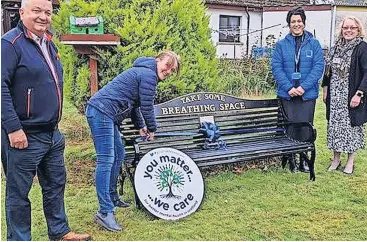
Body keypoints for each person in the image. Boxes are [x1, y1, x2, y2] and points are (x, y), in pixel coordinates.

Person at [1, 0, 91, 240]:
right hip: (24, 135)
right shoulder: (10, 44)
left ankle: (60, 231)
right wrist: (13, 129)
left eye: (48, 12)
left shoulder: (49, 43)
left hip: (52, 133)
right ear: (22, 13)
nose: (43, 17)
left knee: (55, 185)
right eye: (36, 11)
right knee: (18, 194)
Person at [86, 50, 180, 232]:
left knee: (119, 154)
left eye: (172, 70)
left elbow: (136, 105)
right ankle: (105, 212)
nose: (168, 71)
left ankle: (112, 197)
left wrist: (140, 125)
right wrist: (152, 128)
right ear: (157, 60)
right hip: (101, 112)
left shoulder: (144, 72)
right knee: (106, 159)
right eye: (167, 66)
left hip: (105, 113)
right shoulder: (149, 75)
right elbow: (146, 106)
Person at [271, 7, 325, 172]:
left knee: (305, 128)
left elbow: (318, 67)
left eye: (299, 21)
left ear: (304, 22)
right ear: (289, 24)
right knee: (290, 127)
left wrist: (303, 87)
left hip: (306, 95)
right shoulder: (281, 45)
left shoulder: (314, 43)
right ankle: (291, 160)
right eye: (293, 21)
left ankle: (304, 161)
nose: (296, 24)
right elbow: (276, 68)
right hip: (287, 96)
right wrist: (289, 87)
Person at [322, 16, 367, 175]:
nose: (348, 31)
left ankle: (350, 161)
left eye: (352, 28)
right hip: (335, 96)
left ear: (358, 29)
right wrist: (325, 88)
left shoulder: (362, 48)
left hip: (352, 96)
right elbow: (328, 70)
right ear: (341, 30)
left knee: (351, 129)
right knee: (334, 127)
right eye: (345, 28)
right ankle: (336, 159)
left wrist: (359, 94)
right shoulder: (335, 48)